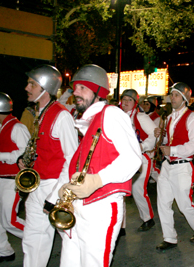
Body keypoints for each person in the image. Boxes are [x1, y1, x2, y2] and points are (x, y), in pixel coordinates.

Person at [57, 64, 142, 267]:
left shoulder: (111, 114)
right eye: (75, 87)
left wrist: (97, 179)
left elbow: (133, 159)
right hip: (79, 206)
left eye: (83, 88)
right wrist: (61, 189)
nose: (75, 92)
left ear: (98, 92)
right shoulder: (89, 122)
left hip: (102, 207)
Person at [18, 64, 78, 267]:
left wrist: (54, 196)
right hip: (38, 185)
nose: (27, 87)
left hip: (53, 186)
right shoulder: (40, 112)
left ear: (45, 88)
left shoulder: (61, 116)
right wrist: (25, 161)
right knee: (32, 239)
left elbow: (72, 158)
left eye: (32, 84)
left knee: (73, 241)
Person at [154, 82, 194, 251]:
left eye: (176, 95)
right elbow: (167, 142)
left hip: (183, 166)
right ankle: (169, 237)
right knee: (163, 203)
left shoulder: (193, 118)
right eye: (171, 94)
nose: (172, 98)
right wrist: (160, 137)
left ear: (184, 99)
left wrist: (173, 149)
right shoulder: (169, 118)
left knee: (184, 204)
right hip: (167, 165)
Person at [0, 93, 30, 266]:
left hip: (12, 180)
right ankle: (3, 251)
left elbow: (26, 153)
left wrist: (1, 156)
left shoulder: (17, 128)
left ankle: (38, 236)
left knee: (9, 220)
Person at [120, 89, 157, 231]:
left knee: (137, 189)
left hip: (142, 159)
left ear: (135, 103)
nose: (126, 102)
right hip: (123, 159)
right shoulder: (119, 116)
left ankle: (148, 219)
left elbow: (155, 136)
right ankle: (121, 226)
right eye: (124, 99)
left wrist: (142, 146)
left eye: (129, 100)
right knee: (120, 192)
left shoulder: (141, 117)